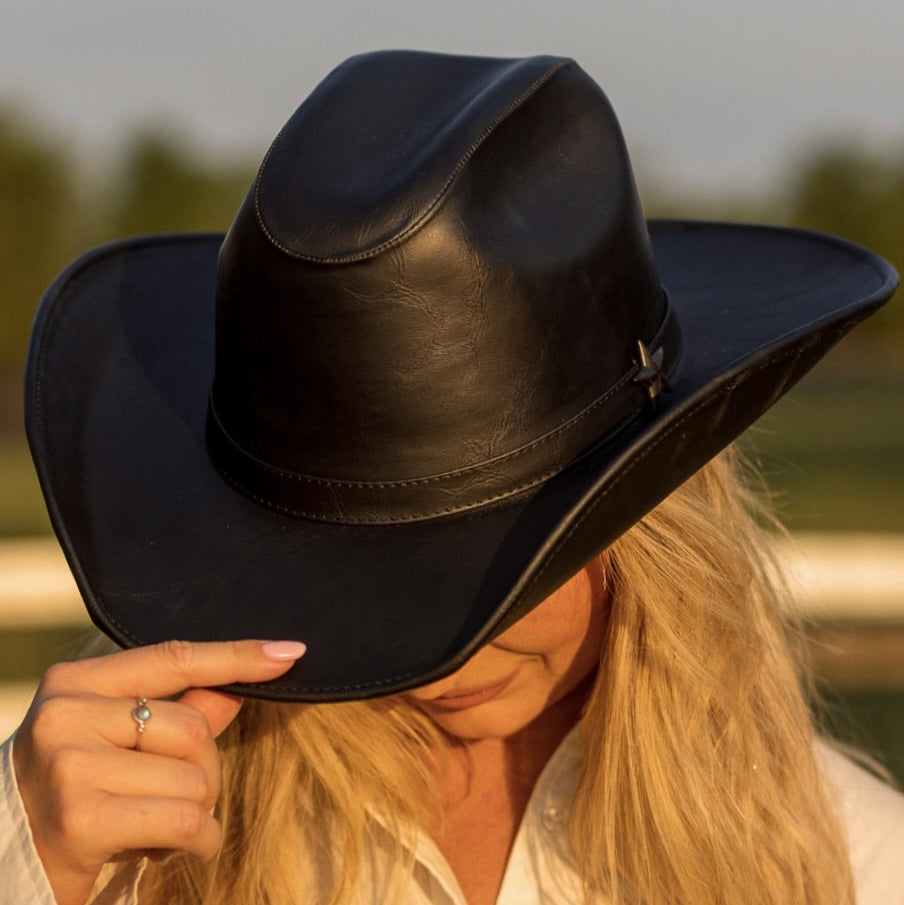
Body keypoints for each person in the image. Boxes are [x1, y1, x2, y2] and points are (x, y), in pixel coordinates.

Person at [1, 50, 902, 905]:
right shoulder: (117, 844)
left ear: (648, 515)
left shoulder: (848, 861)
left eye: (501, 567)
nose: (436, 663)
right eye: (346, 573)